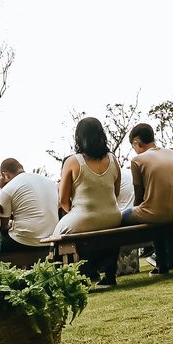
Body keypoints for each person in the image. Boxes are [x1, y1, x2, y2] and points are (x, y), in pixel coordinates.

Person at [58, 117, 124, 286]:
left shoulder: (73, 161)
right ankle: (109, 275)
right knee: (108, 232)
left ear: (79, 138)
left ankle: (82, 275)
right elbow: (115, 193)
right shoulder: (113, 159)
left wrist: (76, 212)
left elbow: (63, 200)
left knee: (57, 235)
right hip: (113, 217)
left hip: (83, 218)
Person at [122, 123, 173, 273]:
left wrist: (137, 209)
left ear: (137, 143)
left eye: (133, 146)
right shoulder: (172, 153)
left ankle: (114, 266)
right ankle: (169, 261)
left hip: (155, 213)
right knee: (158, 212)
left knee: (122, 216)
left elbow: (139, 193)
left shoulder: (138, 160)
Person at [0, 159, 59, 249]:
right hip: (53, 237)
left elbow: (2, 227)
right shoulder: (49, 181)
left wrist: (1, 187)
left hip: (26, 241)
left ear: (6, 175)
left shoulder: (7, 189)